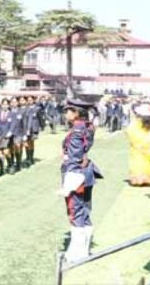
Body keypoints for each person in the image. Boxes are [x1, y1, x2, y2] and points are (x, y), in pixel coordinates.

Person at [59, 98, 100, 263]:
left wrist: (68, 184)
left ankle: (77, 252)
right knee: (84, 211)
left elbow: (74, 159)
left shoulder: (77, 131)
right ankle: (84, 248)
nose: (66, 114)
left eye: (69, 110)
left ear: (76, 113)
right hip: (86, 174)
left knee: (75, 211)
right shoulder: (86, 128)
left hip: (76, 175)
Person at [125, 104, 150, 187]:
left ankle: (137, 180)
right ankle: (147, 180)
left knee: (137, 163)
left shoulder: (136, 122)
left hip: (137, 146)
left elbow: (129, 131)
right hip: (148, 145)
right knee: (147, 163)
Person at [0, 99, 15, 177]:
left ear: (9, 105)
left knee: (6, 151)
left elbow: (13, 124)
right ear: (1, 105)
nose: (5, 106)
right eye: (3, 104)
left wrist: (10, 132)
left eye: (6, 104)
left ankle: (10, 165)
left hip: (7, 135)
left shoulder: (12, 114)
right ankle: (2, 169)